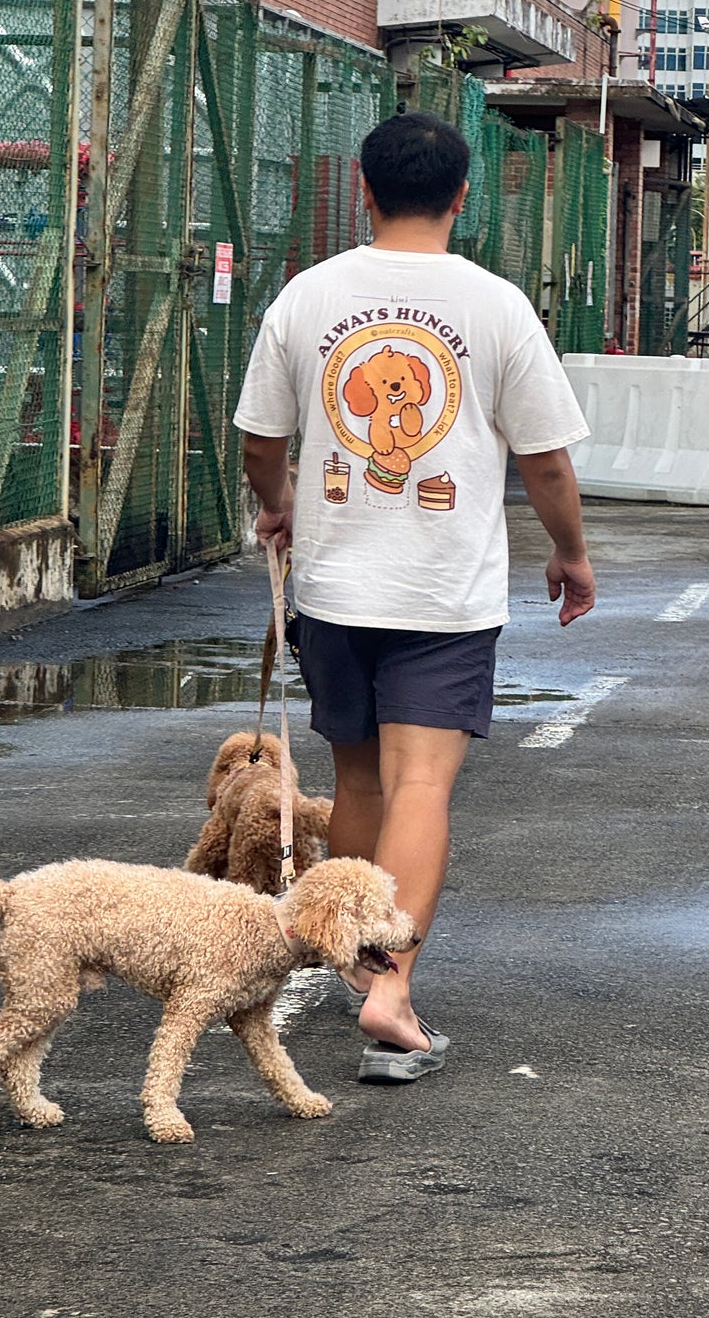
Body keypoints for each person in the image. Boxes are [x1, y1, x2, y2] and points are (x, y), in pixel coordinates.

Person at [234, 111, 596, 1084]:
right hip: (444, 594)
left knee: (356, 783)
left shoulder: (306, 299)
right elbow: (546, 459)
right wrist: (568, 553)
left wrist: (280, 509)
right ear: (462, 196)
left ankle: (356, 962)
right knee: (422, 785)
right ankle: (391, 991)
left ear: (362, 185)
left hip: (336, 588)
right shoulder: (495, 306)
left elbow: (260, 440)